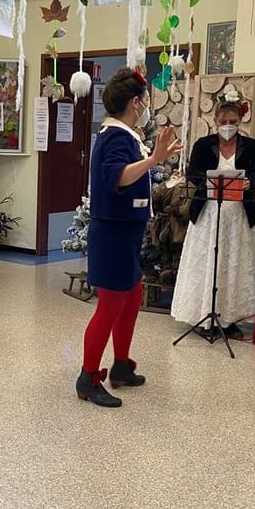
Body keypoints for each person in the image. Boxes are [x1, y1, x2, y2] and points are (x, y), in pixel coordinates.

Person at [77, 67, 181, 408]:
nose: (148, 104)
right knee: (109, 307)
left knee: (132, 298)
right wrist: (154, 159)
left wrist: (153, 161)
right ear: (136, 102)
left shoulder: (121, 134)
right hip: (113, 234)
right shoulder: (116, 137)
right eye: (146, 98)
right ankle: (88, 377)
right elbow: (117, 176)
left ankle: (121, 365)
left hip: (124, 232)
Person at [170, 99, 255, 338]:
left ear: (240, 121)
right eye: (223, 122)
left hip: (238, 213)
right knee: (208, 261)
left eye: (232, 121)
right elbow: (193, 172)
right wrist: (210, 180)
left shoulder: (252, 146)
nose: (227, 126)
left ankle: (229, 318)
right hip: (208, 211)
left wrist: (251, 182)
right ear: (215, 121)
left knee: (232, 262)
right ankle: (202, 315)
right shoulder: (203, 145)